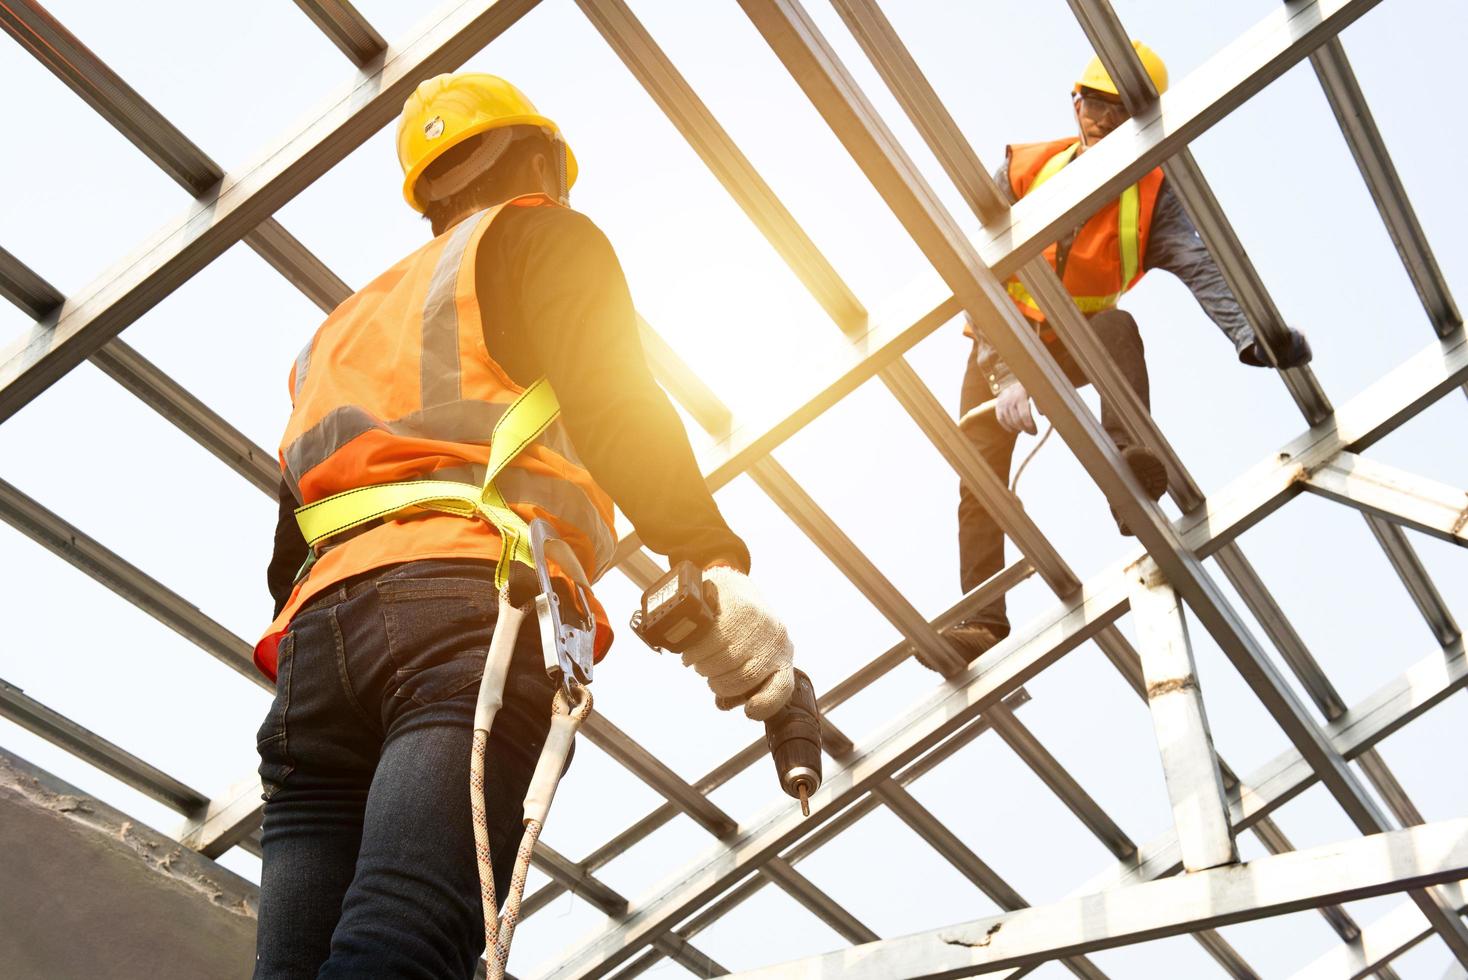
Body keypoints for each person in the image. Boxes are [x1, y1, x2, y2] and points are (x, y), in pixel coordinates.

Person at [250, 73, 795, 979]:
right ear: (537, 158)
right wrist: (708, 555)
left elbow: (289, 542)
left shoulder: (338, 330)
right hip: (466, 609)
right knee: (404, 935)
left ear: (431, 193)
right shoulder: (543, 232)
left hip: (314, 648)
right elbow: (614, 399)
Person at [944, 41, 1312, 665]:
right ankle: (981, 623)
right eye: (1095, 103)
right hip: (996, 344)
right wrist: (1006, 370)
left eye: (1120, 109)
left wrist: (1251, 334)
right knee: (978, 479)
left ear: (1143, 115)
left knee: (1118, 327)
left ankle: (1126, 476)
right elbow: (975, 273)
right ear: (1076, 100)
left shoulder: (1152, 194)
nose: (1104, 119)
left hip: (1075, 344)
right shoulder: (1025, 170)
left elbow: (1199, 264)